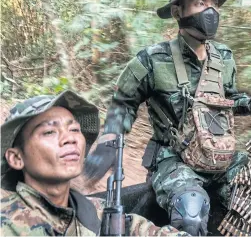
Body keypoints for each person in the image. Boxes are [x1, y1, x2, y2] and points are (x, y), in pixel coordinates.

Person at [83, 0, 251, 236]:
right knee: (191, 209)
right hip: (173, 159)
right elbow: (123, 103)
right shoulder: (152, 60)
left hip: (221, 158)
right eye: (200, 3)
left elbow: (228, 100)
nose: (211, 11)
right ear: (177, 12)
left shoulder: (224, 58)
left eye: (214, 4)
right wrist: (110, 139)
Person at [0, 90, 189, 236]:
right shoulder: (7, 224)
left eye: (74, 129)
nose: (70, 139)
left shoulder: (96, 212)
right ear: (16, 158)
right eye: (49, 132)